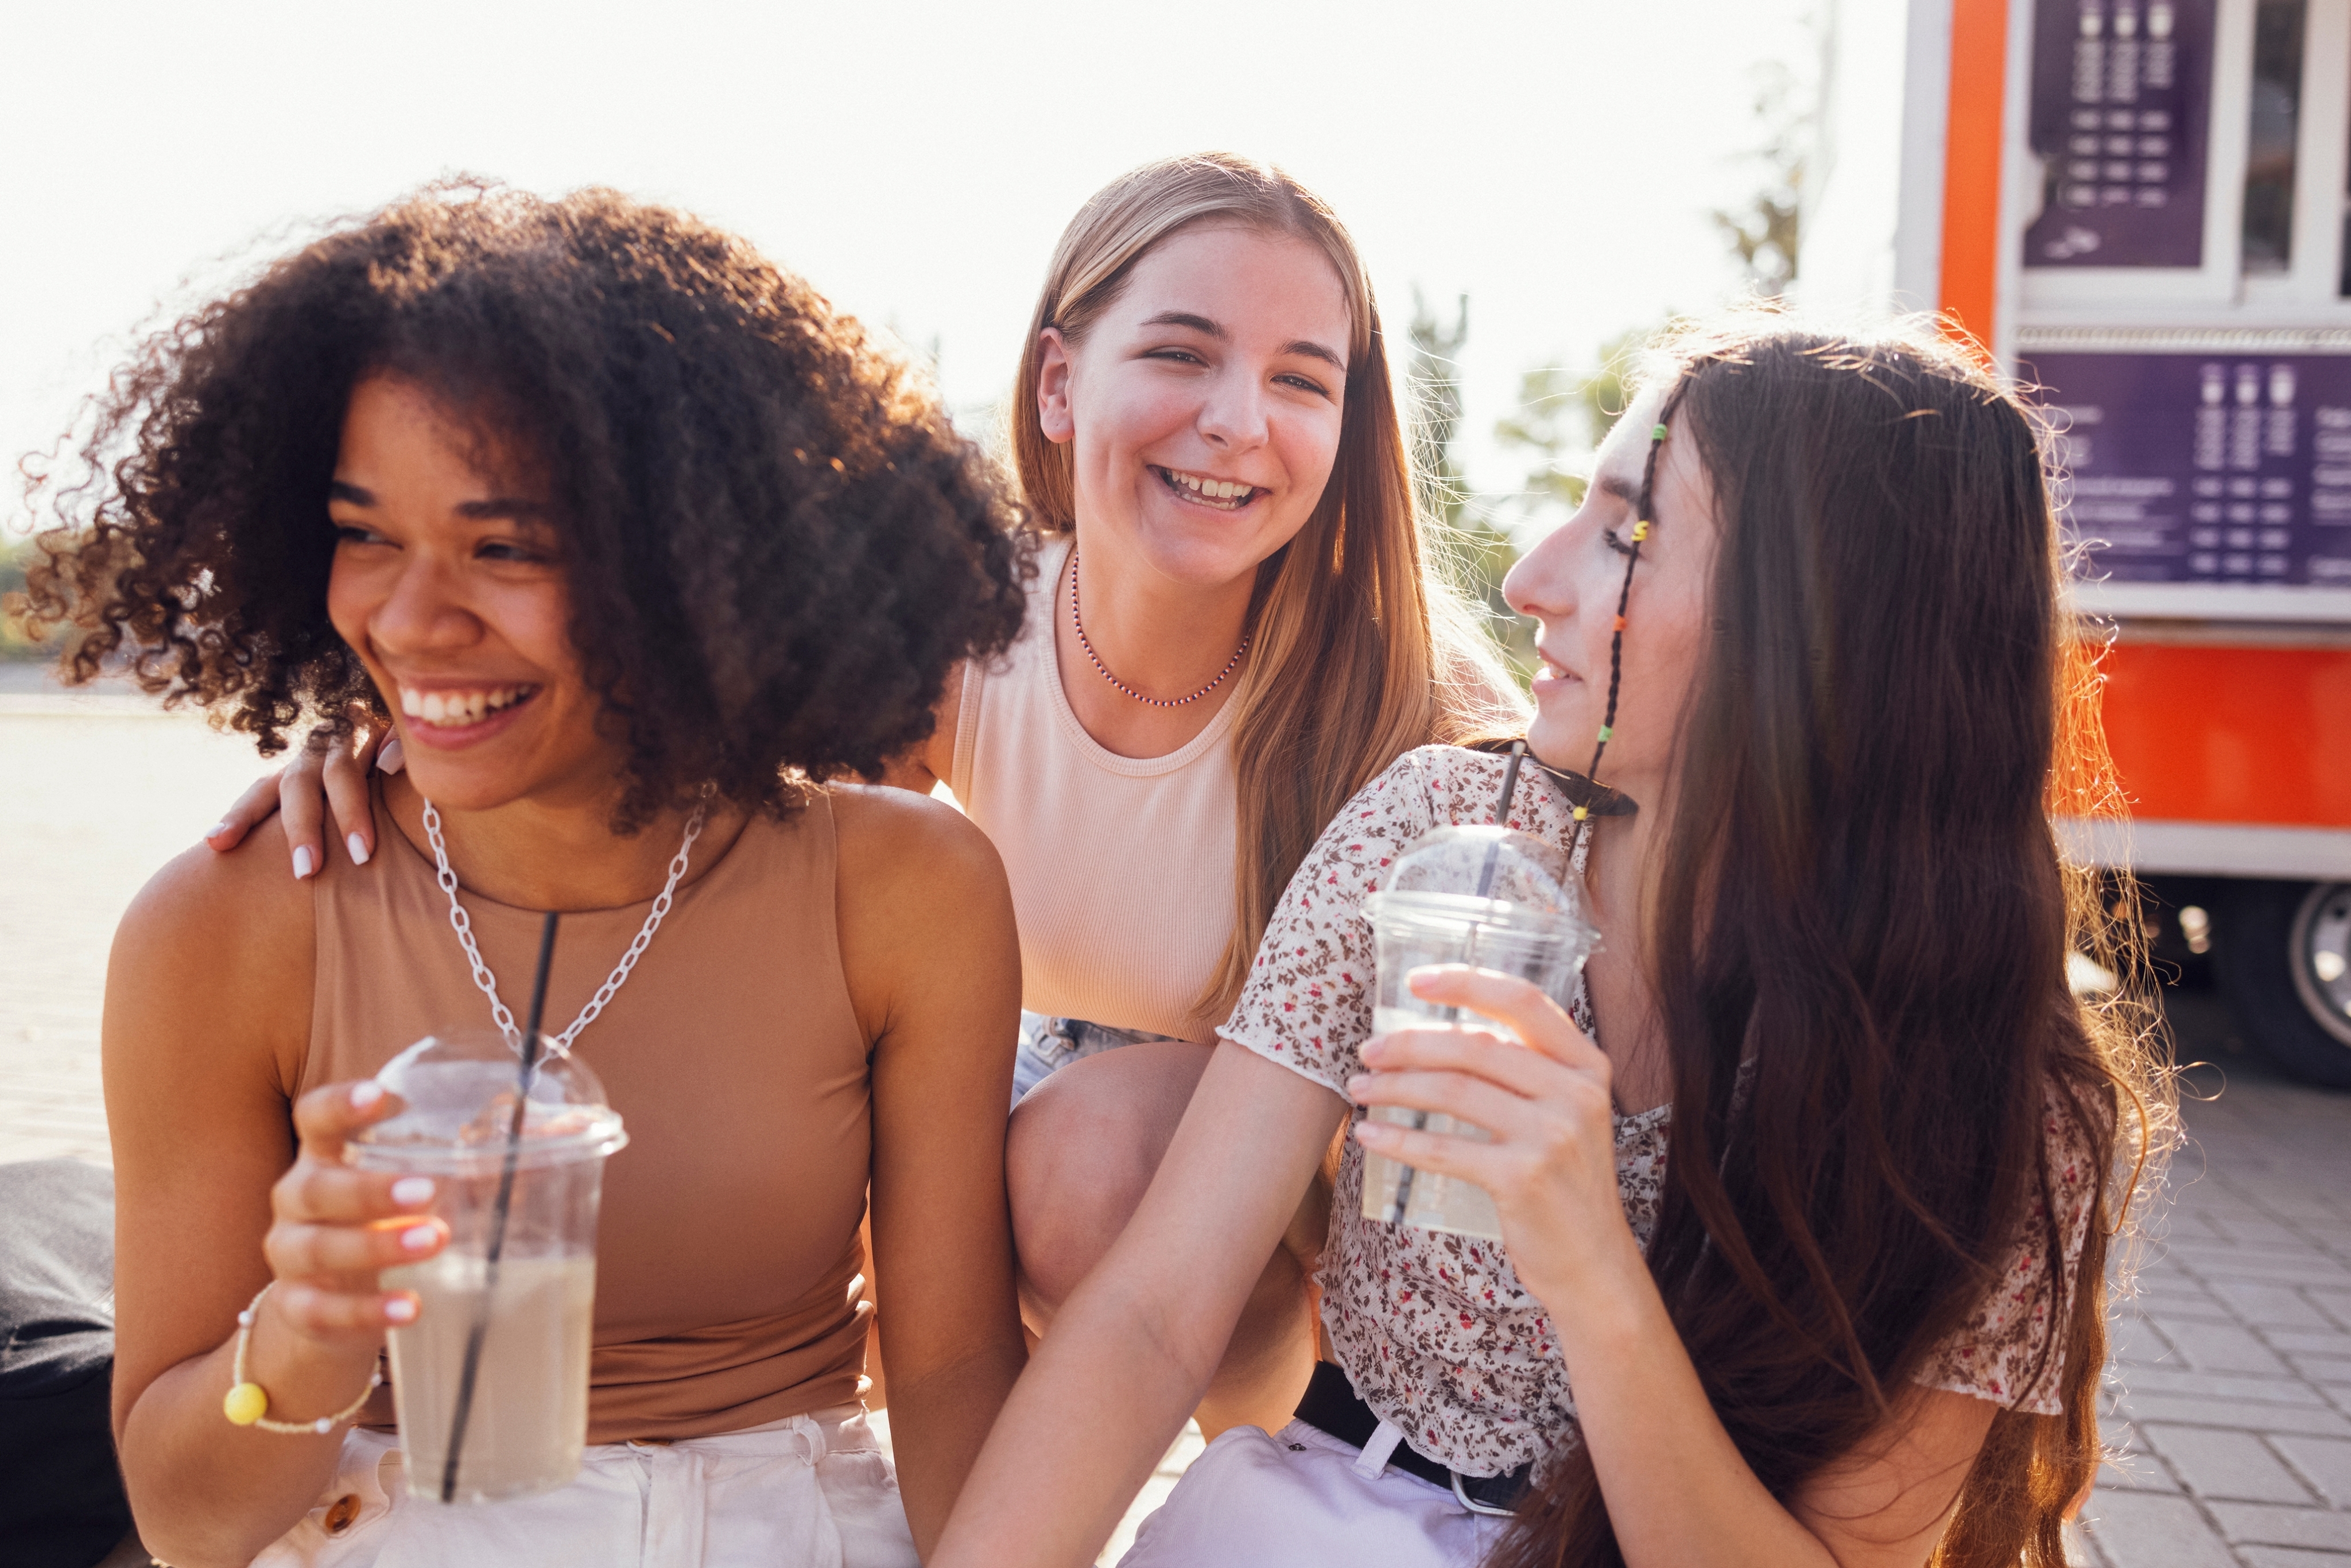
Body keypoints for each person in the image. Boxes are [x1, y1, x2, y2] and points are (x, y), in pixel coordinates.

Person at [205, 152, 1529, 1440]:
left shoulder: (1415, 705)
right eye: (1180, 354)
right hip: (1025, 1090)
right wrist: (402, 743)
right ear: (1059, 384)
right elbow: (700, 806)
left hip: (1272, 1204)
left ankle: (1232, 1471)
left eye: (1302, 380)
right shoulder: (964, 613)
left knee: (1083, 1167)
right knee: (847, 1105)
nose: (1237, 419)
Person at [926, 316, 2172, 1568]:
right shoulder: (1439, 829)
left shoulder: (1997, 1100)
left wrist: (1586, 1261)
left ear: (1823, 633)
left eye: (1627, 534)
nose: (1530, 577)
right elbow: (1151, 1314)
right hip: (1333, 1510)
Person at [22, 183, 1030, 1568]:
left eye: (504, 548)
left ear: (695, 566)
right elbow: (190, 1524)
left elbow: (949, 1378)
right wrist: (306, 1334)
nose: (410, 618)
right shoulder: (228, 925)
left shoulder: (903, 889)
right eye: (364, 532)